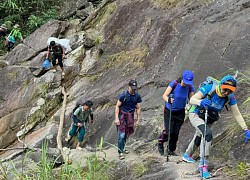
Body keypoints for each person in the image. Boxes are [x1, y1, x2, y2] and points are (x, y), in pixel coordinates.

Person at [182, 75, 250, 179]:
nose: (226, 92)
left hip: (209, 117)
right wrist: (201, 102)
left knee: (201, 135)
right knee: (207, 134)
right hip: (195, 113)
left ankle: (187, 155)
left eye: (230, 91)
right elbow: (192, 99)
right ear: (220, 85)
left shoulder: (230, 97)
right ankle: (203, 165)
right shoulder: (210, 88)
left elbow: (237, 114)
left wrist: (245, 128)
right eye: (225, 89)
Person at [158, 70, 195, 156]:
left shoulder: (190, 87)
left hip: (180, 112)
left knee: (176, 133)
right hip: (169, 110)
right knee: (169, 131)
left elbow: (192, 99)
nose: (185, 84)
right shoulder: (174, 84)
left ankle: (171, 150)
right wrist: (169, 100)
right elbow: (164, 95)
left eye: (188, 82)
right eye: (185, 82)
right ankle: (160, 141)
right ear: (182, 78)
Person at [115, 80, 142, 160]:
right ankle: (120, 152)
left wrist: (138, 120)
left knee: (127, 134)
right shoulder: (123, 95)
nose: (133, 90)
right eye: (132, 88)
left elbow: (138, 108)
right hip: (122, 116)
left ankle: (123, 148)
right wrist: (116, 118)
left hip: (130, 116)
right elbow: (117, 106)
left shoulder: (137, 96)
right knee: (121, 135)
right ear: (129, 87)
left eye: (135, 88)